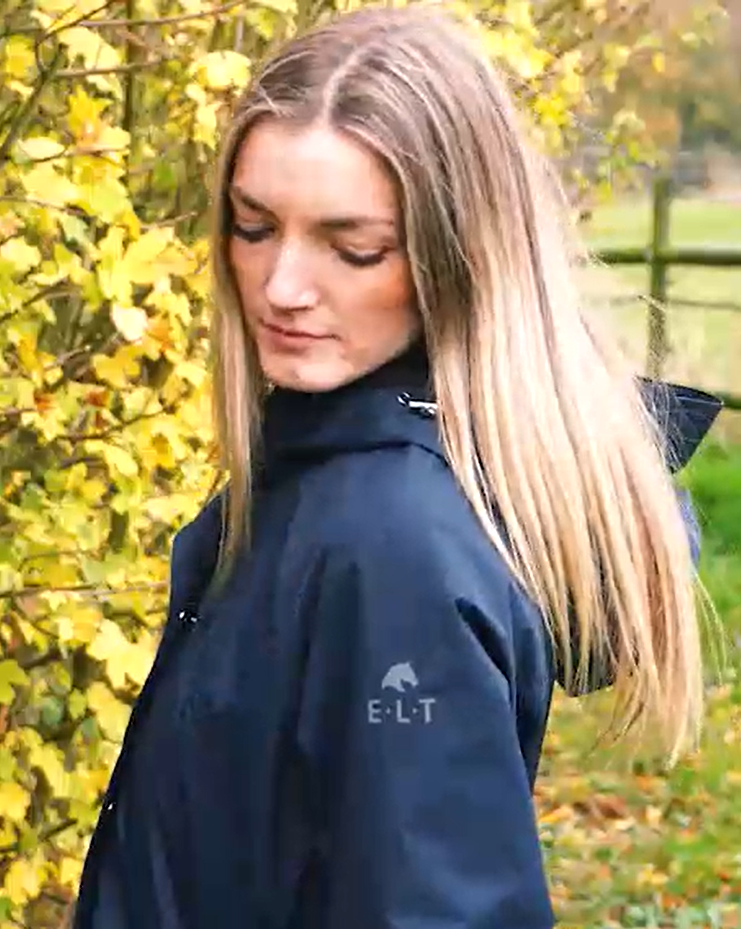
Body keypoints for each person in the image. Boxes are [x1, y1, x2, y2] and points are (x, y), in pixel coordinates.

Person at [72, 6, 723, 928]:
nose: (282, 287)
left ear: (459, 255)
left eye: (354, 248)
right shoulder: (321, 462)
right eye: (253, 227)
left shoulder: (391, 545)